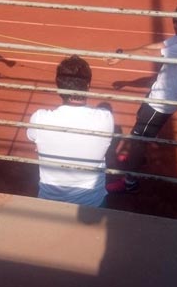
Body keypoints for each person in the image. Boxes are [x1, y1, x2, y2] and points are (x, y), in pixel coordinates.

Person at [105, 0, 177, 193]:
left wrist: (122, 55)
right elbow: (158, 45)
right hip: (159, 93)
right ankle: (139, 155)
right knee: (140, 122)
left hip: (161, 102)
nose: (176, 25)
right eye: (174, 21)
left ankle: (130, 181)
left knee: (136, 139)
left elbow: (148, 53)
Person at [27, 55, 114, 207]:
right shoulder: (105, 118)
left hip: (49, 202)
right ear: (88, 85)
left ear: (59, 87)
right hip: (93, 203)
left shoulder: (39, 118)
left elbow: (33, 139)